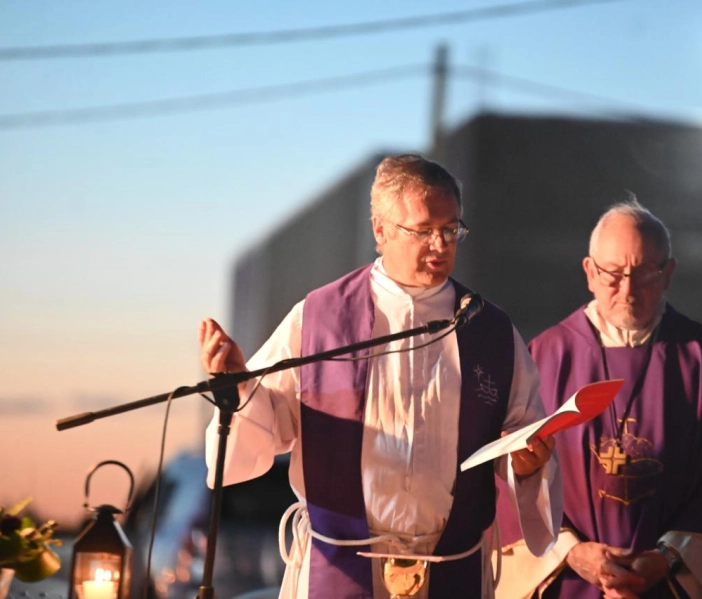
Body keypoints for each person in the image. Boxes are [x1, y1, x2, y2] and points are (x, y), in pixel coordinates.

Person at [197, 154, 562, 599]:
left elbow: (517, 438)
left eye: (451, 230)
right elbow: (268, 426)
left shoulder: (490, 330)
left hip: (451, 566)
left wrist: (527, 463)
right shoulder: (319, 318)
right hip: (341, 564)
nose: (441, 245)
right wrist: (239, 386)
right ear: (380, 230)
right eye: (423, 230)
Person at [497, 199, 702, 599]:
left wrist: (666, 558)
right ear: (590, 272)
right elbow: (514, 480)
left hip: (671, 581)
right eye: (612, 273)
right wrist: (573, 553)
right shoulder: (544, 355)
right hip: (571, 579)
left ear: (669, 274)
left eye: (644, 272)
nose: (627, 290)